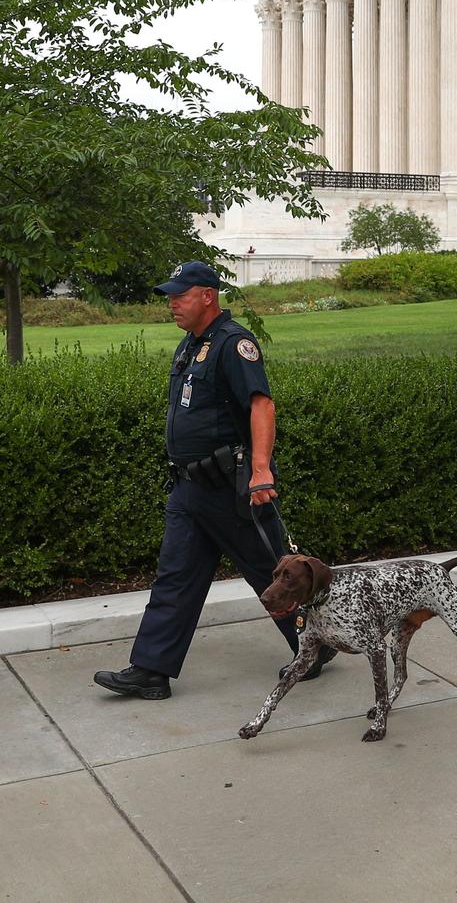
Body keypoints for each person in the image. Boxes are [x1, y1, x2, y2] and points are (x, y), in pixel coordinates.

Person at [94, 260, 333, 699]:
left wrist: (261, 470)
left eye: (180, 295)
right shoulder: (191, 345)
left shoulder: (233, 343)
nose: (172, 303)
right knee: (175, 575)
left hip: (232, 486)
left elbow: (261, 405)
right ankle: (150, 670)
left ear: (207, 294)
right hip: (189, 487)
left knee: (273, 570)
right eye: (170, 295)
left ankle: (313, 647)